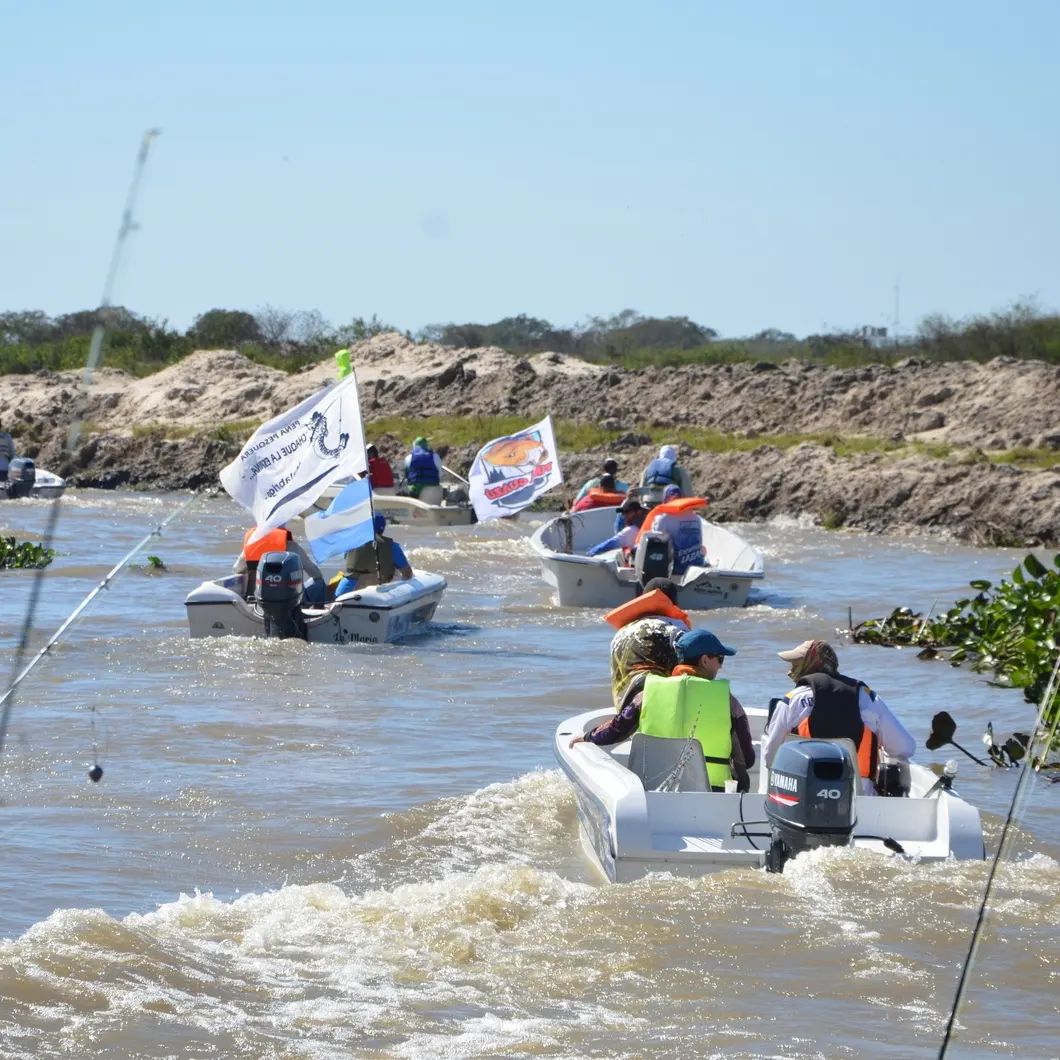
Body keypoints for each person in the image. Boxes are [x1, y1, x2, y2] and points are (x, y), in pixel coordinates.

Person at [573, 627, 756, 791]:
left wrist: (587, 737)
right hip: (711, 792)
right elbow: (747, 759)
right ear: (705, 660)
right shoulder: (727, 700)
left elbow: (617, 729)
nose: (720, 666)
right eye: (720, 659)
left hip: (652, 789)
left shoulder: (648, 693)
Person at [760, 639, 915, 793]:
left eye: (795, 665)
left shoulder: (792, 700)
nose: (789, 671)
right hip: (859, 799)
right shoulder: (868, 698)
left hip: (804, 796)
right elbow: (905, 747)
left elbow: (770, 758)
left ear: (812, 664)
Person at [234, 524, 326, 604]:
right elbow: (315, 573)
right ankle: (321, 613)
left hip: (256, 600)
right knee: (319, 581)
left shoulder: (251, 544)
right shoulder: (290, 545)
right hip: (290, 601)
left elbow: (237, 569)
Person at [335, 513, 413, 594]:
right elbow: (407, 573)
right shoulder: (392, 547)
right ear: (382, 528)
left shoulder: (350, 543)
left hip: (344, 591)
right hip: (374, 595)